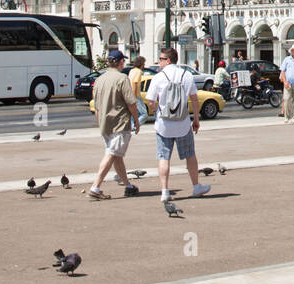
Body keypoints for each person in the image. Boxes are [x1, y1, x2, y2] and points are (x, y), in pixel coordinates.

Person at [145, 46, 210, 201]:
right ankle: (196, 186)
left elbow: (150, 100)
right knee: (190, 155)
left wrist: (157, 110)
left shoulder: (159, 77)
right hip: (182, 123)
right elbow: (194, 98)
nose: (159, 62)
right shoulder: (186, 75)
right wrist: (196, 119)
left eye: (161, 59)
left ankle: (165, 191)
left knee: (164, 157)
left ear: (168, 60)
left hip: (164, 125)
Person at [87, 49, 140, 200]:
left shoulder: (99, 79)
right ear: (121, 62)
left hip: (105, 124)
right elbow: (131, 103)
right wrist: (136, 120)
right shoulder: (122, 79)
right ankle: (95, 187)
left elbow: (96, 105)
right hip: (119, 123)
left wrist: (100, 123)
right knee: (112, 154)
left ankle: (128, 186)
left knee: (116, 155)